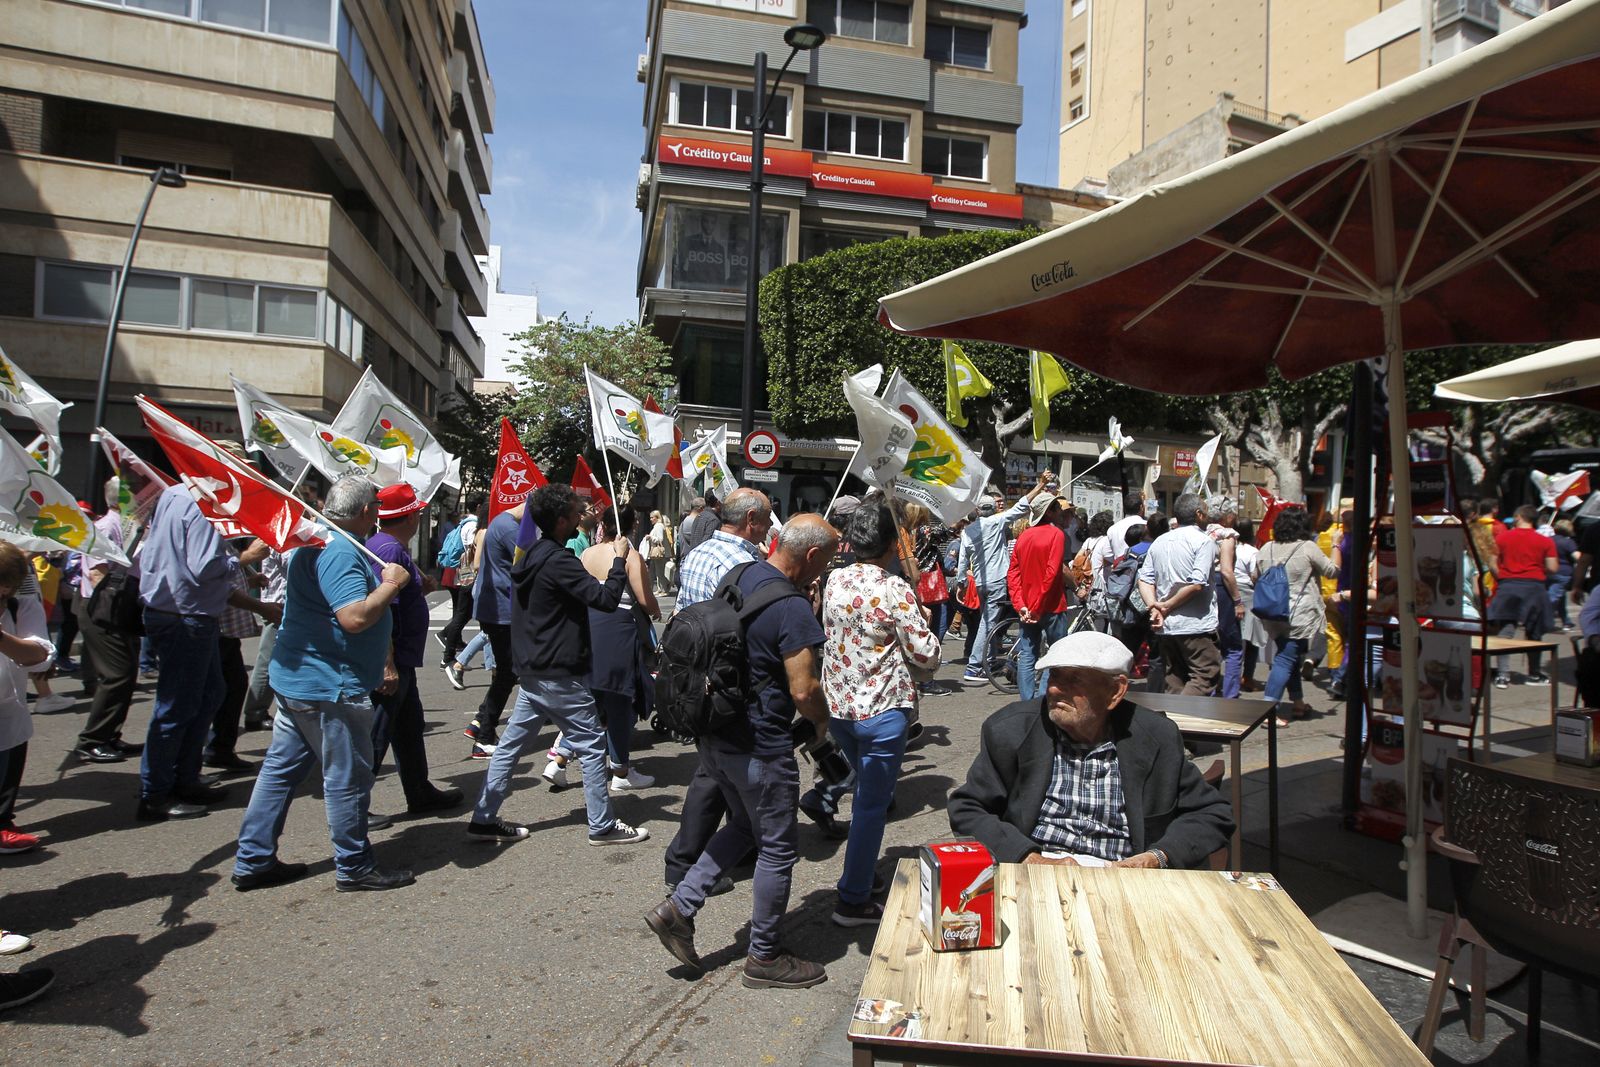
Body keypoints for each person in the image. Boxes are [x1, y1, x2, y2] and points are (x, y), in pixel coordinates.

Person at [645, 515, 841, 989]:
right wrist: (823, 720)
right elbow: (803, 689)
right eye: (829, 560)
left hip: (716, 733)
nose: (826, 570)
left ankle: (679, 907)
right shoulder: (792, 608)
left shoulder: (738, 576)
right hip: (760, 744)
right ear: (811, 556)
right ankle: (766, 956)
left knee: (745, 827)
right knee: (777, 848)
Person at [232, 474, 416, 893]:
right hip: (329, 685)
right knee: (347, 777)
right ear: (368, 511)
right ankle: (354, 866)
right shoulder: (337, 550)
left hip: (302, 679)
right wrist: (391, 583)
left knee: (280, 772)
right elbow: (353, 617)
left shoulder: (317, 541)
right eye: (376, 507)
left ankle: (254, 858)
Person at [947, 630, 1233, 867]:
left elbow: (1213, 814)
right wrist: (1027, 857)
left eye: (1074, 680)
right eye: (1055, 676)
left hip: (1122, 879)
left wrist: (1155, 857)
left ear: (1116, 691)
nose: (1056, 689)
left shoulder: (1155, 737)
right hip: (1036, 872)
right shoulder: (1010, 730)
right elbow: (968, 807)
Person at [465, 484, 649, 847]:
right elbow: (606, 599)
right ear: (560, 520)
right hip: (556, 670)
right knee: (594, 744)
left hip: (534, 668)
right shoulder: (556, 559)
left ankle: (484, 818)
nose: (582, 516)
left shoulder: (530, 555)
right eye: (575, 512)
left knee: (511, 746)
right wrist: (618, 560)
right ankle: (602, 824)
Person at [818, 502, 940, 926]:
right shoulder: (893, 588)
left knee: (866, 798)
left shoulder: (833, 579)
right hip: (882, 711)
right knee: (871, 805)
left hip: (840, 708)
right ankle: (852, 897)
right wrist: (924, 623)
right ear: (892, 544)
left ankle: (862, 874)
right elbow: (926, 654)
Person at [137, 482, 280, 822]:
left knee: (208, 694)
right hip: (185, 616)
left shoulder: (175, 494)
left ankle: (183, 778)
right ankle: (156, 792)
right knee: (178, 705)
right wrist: (245, 559)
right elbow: (205, 568)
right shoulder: (203, 504)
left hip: (182, 612)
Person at [663, 487, 773, 890]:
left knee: (716, 768)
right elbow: (751, 628)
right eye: (766, 517)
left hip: (692, 674)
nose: (769, 525)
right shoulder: (745, 560)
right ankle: (685, 861)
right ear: (751, 521)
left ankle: (731, 847)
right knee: (716, 772)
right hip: (722, 679)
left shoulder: (700, 551)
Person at [366, 483, 464, 817]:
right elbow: (384, 612)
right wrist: (386, 664)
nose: (420, 516)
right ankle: (355, 806)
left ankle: (419, 791)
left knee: (408, 728)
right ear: (410, 517)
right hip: (394, 659)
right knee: (377, 734)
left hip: (404, 658)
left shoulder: (390, 547)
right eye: (417, 512)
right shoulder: (389, 551)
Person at [579, 504, 661, 792]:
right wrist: (656, 612)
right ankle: (621, 769)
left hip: (589, 624)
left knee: (591, 698)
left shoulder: (588, 553)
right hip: (619, 627)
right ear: (632, 526)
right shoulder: (630, 557)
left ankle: (560, 757)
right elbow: (644, 597)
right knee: (619, 699)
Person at [955, 471, 1053, 685]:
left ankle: (988, 661)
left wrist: (961, 583)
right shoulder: (995, 523)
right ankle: (974, 666)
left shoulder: (968, 531)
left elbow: (963, 561)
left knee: (987, 621)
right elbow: (1021, 506)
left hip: (981, 581)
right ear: (991, 509)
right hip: (998, 579)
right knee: (988, 624)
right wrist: (1039, 486)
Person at [73, 477, 144, 763]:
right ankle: (92, 740)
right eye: (136, 493)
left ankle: (109, 735)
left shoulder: (128, 525)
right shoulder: (104, 527)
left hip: (118, 605)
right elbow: (97, 571)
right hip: (102, 606)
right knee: (117, 674)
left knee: (125, 674)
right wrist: (117, 604)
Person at [1254, 507, 1339, 725]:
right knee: (1286, 658)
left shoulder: (1266, 548)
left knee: (1289, 654)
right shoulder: (1307, 547)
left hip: (1272, 613)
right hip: (1298, 615)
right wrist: (1337, 544)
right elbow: (1331, 571)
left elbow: (1255, 576)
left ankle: (1298, 703)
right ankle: (1268, 710)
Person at [0, 543, 56, 855]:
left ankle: (2, 823)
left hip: (7, 707)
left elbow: (40, 656)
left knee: (8, 758)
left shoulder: (20, 602)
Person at [1136, 493, 1221, 696]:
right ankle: (1180, 719)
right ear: (1199, 514)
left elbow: (1145, 579)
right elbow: (1197, 583)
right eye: (1206, 511)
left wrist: (1155, 606)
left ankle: (1175, 723)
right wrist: (1162, 606)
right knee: (1204, 675)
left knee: (1173, 678)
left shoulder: (1160, 541)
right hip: (1194, 625)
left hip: (1168, 626)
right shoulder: (1203, 541)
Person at [462, 499, 525, 759]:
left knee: (508, 673)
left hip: (498, 609)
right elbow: (529, 561)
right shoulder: (508, 527)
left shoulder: (501, 523)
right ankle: (484, 732)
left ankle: (480, 724)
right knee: (509, 674)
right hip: (501, 611)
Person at [1007, 494, 1072, 701]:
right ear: (1050, 511)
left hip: (1027, 607)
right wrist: (1035, 605)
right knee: (1055, 653)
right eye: (1057, 508)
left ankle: (1027, 700)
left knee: (1028, 654)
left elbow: (1013, 574)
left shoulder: (1024, 536)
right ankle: (1044, 697)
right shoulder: (1057, 535)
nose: (1061, 512)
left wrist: (1021, 605)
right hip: (1051, 605)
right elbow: (1052, 573)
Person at [1490, 504, 1558, 688]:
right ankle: (1534, 673)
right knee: (1534, 632)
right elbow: (1552, 568)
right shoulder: (1545, 541)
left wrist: (1503, 577)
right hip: (1534, 587)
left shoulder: (1503, 538)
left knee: (1505, 632)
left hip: (1508, 586)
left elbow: (1492, 561)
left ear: (1519, 517)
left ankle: (1503, 675)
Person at [1206, 497, 1246, 698]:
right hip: (1222, 588)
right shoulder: (1227, 536)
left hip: (1203, 587)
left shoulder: (1202, 531)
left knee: (1212, 643)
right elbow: (1227, 571)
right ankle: (1230, 695)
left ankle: (1210, 690)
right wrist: (1238, 600)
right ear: (1228, 516)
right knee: (1233, 647)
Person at [435, 506, 480, 668]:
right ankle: (448, 656)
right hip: (468, 574)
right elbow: (471, 552)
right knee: (462, 614)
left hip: (463, 573)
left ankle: (448, 642)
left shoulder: (465, 524)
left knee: (463, 613)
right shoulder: (473, 525)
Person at [1232, 520, 1262, 692]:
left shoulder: (1228, 547)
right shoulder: (1252, 552)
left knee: (1232, 637)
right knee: (1252, 639)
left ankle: (1230, 677)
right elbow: (1255, 576)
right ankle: (1247, 677)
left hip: (1231, 592)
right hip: (1249, 595)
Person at [1550, 517, 1578, 630]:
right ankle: (1545, 620)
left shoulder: (1548, 539)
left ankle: (1566, 621)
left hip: (1548, 571)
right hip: (1563, 573)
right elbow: (1577, 556)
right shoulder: (1568, 542)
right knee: (1553, 597)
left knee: (1560, 598)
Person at [646, 510, 674, 595]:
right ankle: (660, 588)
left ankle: (664, 589)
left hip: (660, 553)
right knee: (658, 571)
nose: (650, 519)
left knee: (660, 571)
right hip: (660, 553)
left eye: (652, 517)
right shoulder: (657, 526)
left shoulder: (658, 526)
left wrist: (650, 537)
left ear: (657, 518)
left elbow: (660, 539)